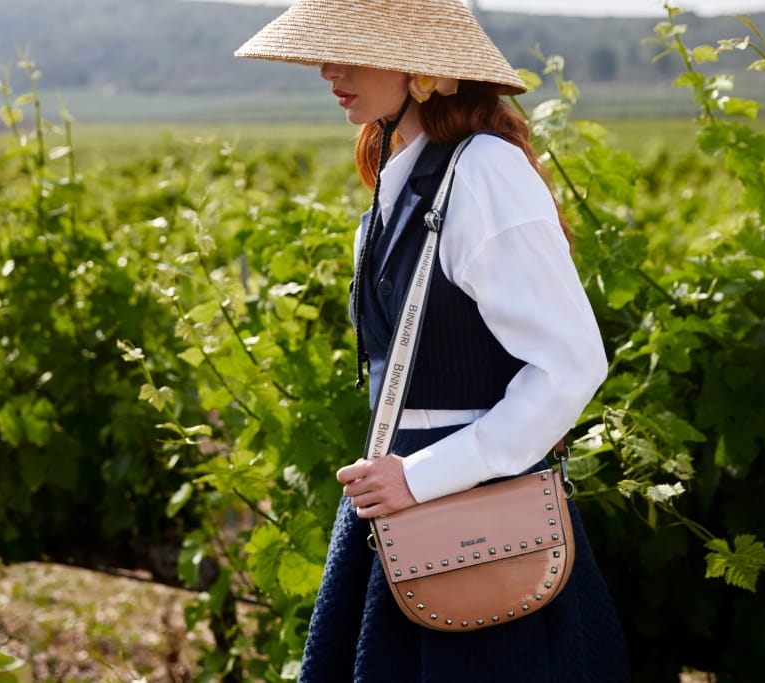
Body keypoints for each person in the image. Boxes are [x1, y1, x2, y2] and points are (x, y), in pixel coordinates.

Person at [235, 1, 629, 680]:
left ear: (420, 68)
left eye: (351, 50)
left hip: (474, 524)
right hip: (400, 501)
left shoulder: (484, 173)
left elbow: (570, 364)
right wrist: (404, 480)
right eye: (325, 51)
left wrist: (421, 477)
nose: (328, 69)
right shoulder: (402, 181)